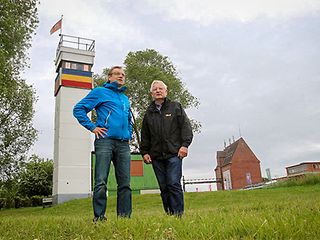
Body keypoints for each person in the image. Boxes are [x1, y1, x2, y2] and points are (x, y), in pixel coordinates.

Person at [73, 66, 132, 222]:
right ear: (109, 77)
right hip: (105, 141)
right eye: (117, 74)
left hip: (123, 144)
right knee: (100, 182)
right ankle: (99, 217)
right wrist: (92, 127)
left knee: (125, 183)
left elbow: (128, 120)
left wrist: (129, 134)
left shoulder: (125, 98)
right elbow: (78, 109)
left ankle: (124, 218)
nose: (121, 76)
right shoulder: (100, 92)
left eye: (123, 75)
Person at [140, 80, 193, 217]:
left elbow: (186, 127)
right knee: (164, 187)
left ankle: (179, 215)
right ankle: (169, 214)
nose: (158, 91)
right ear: (151, 93)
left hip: (174, 154)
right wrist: (144, 152)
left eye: (160, 89)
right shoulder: (149, 112)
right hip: (156, 157)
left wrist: (185, 145)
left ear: (166, 91)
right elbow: (145, 134)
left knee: (173, 183)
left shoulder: (175, 107)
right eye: (155, 89)